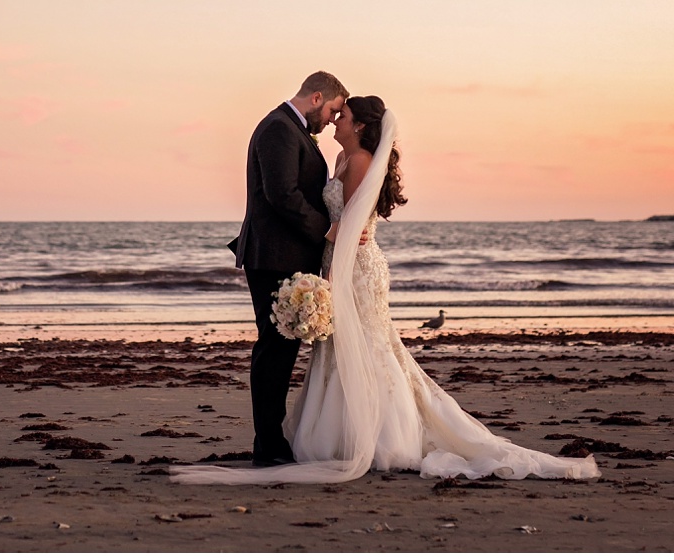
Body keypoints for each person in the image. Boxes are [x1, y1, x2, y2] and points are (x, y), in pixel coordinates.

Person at [177, 95, 599, 484]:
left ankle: (383, 436)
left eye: (342, 116)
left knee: (370, 345)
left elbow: (354, 224)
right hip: (334, 261)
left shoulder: (359, 160)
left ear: (359, 126)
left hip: (357, 267)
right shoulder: (341, 156)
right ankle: (322, 434)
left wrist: (331, 246)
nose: (335, 121)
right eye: (336, 113)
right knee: (339, 348)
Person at [225, 71, 347, 467]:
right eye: (331, 111)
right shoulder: (279, 128)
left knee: (280, 349)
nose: (331, 120)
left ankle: (272, 441)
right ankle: (268, 445)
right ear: (316, 98)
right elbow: (282, 195)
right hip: (274, 256)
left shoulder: (288, 128)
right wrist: (327, 230)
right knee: (274, 350)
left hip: (284, 256)